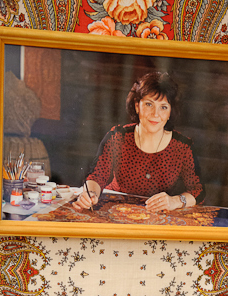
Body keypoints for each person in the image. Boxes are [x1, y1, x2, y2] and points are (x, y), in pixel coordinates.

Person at [72, 71, 205, 213]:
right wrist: (90, 195)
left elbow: (198, 191)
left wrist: (176, 201)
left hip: (156, 216)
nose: (155, 114)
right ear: (137, 106)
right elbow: (96, 176)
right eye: (149, 104)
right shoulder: (118, 137)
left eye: (163, 107)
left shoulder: (183, 147)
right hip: (115, 211)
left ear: (170, 112)